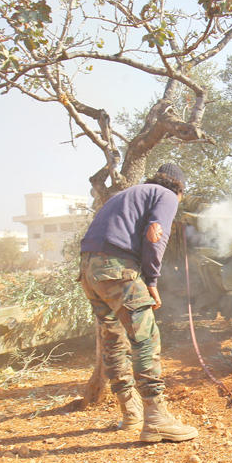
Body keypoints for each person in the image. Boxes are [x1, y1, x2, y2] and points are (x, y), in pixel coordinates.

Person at [79, 162, 198, 443]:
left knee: (113, 339)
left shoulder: (130, 193)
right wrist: (153, 281)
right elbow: (155, 236)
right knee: (145, 337)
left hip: (89, 269)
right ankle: (156, 418)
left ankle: (130, 411)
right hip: (116, 267)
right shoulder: (166, 196)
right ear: (179, 189)